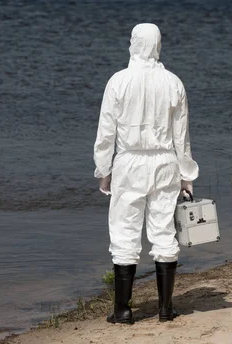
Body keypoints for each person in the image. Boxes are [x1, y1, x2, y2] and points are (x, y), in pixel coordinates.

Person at [93, 23, 198, 324]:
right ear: (158, 44)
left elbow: (105, 133)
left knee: (125, 232)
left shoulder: (118, 81)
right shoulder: (173, 82)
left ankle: (123, 310)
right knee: (164, 231)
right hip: (166, 163)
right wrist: (187, 175)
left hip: (128, 163)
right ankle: (165, 308)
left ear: (133, 44)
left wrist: (104, 171)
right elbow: (182, 137)